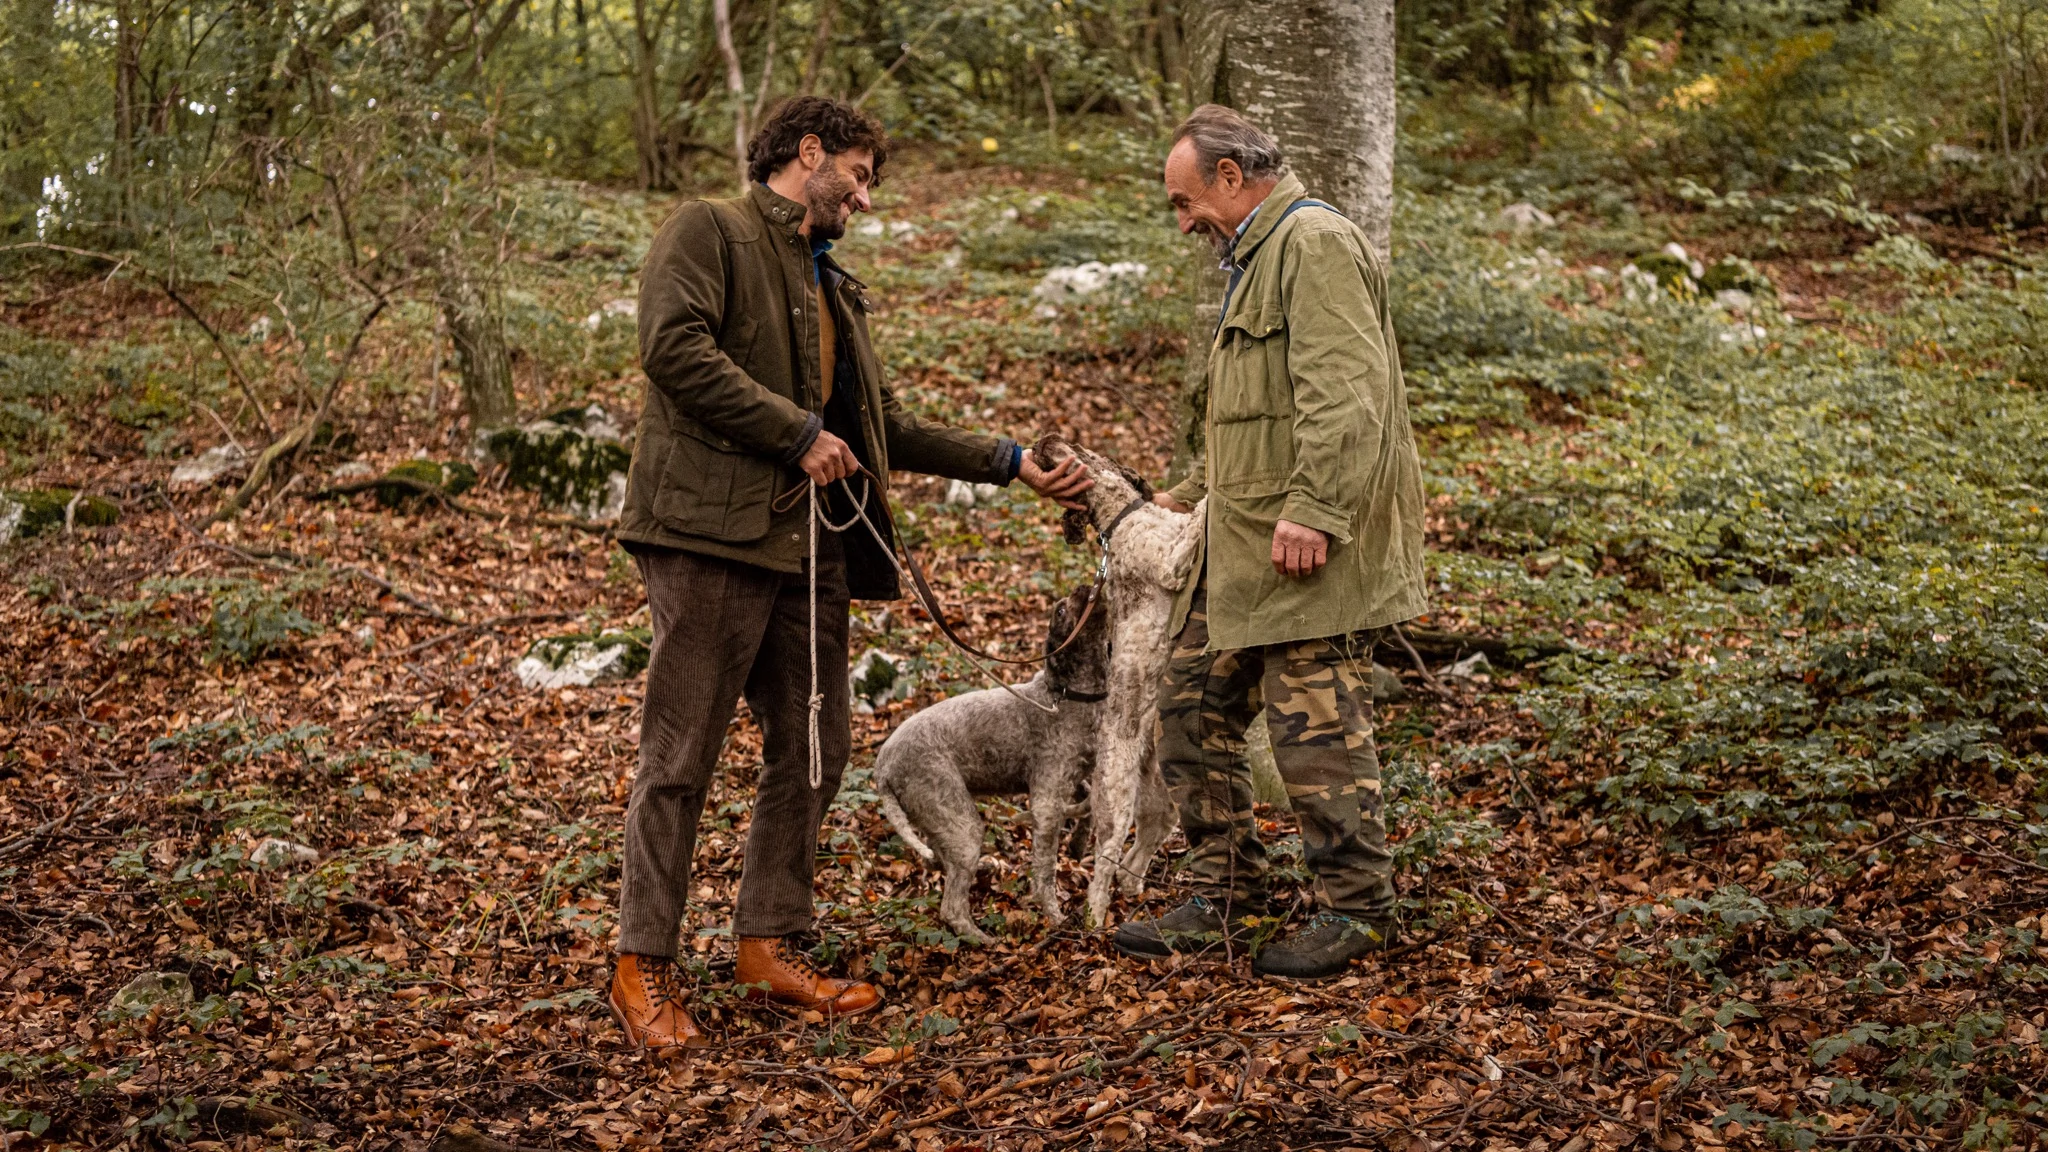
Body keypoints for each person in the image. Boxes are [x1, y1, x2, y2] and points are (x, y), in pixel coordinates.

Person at [607, 96, 1091, 1050]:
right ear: (810, 151)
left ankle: (767, 945)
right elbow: (673, 348)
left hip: (811, 550)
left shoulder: (834, 289)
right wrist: (795, 435)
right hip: (707, 540)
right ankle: (642, 967)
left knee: (821, 746)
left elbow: (881, 430)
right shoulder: (711, 229)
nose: (865, 199)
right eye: (860, 176)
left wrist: (1009, 462)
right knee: (680, 755)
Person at [1111, 105, 1427, 980]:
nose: (1184, 223)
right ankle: (1226, 894)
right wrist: (1172, 500)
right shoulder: (1253, 258)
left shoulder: (1311, 243)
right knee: (1188, 704)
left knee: (1314, 729)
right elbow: (1255, 421)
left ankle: (1359, 912)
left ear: (1228, 175)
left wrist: (1318, 509)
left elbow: (1346, 392)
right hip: (1243, 541)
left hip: (1305, 544)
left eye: (1186, 203)